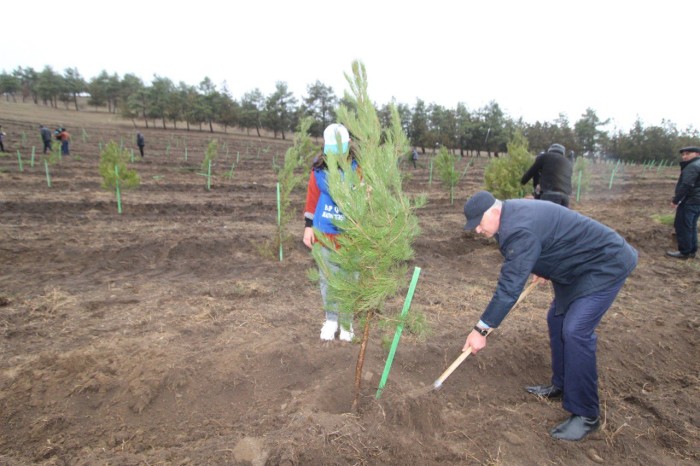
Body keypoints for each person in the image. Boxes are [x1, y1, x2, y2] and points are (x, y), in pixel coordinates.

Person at [462, 190, 638, 441]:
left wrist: (481, 330)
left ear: (494, 211)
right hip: (578, 265)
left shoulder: (518, 229)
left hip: (604, 265)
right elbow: (550, 235)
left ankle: (587, 415)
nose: (477, 231)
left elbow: (509, 288)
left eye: (478, 223)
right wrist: (542, 264)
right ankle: (563, 384)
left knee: (575, 330)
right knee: (556, 319)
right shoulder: (513, 214)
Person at [303, 123, 358, 342]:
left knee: (349, 279)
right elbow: (312, 199)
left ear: (349, 144)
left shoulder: (359, 169)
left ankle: (346, 323)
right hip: (324, 232)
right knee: (328, 278)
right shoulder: (318, 171)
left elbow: (369, 201)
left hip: (351, 235)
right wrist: (308, 227)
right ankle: (331, 319)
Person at [666, 146, 700, 259]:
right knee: (691, 225)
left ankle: (684, 252)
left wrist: (676, 200)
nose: (684, 156)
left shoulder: (692, 167)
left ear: (697, 154)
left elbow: (686, 185)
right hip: (697, 201)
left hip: (690, 201)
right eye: (683, 154)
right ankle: (692, 250)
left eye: (688, 154)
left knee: (683, 225)